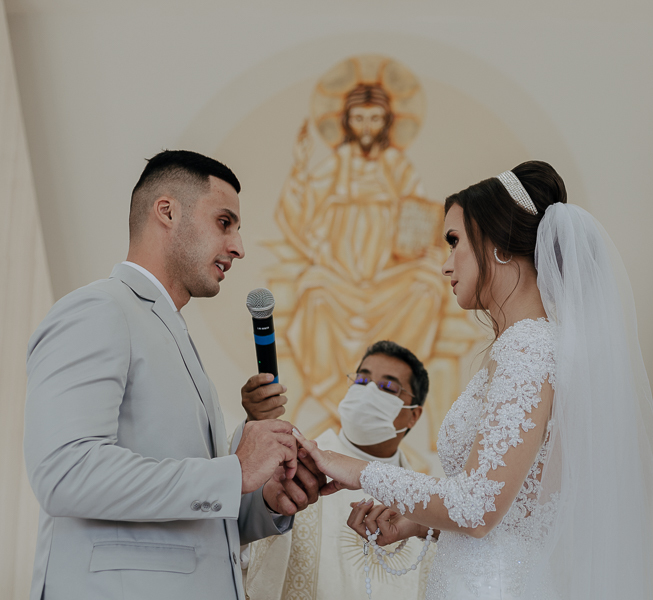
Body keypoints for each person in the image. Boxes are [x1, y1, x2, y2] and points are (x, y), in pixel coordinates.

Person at [293, 161, 653, 599]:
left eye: (454, 241)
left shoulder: (529, 348)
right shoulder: (538, 346)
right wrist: (414, 522)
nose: (445, 264)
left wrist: (357, 469)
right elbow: (519, 503)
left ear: (496, 243)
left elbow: (477, 506)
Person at [23, 150, 324, 600]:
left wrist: (264, 501)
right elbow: (66, 473)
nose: (239, 246)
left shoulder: (173, 335)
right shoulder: (100, 310)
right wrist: (234, 471)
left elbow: (189, 521)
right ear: (167, 211)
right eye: (225, 222)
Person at [267, 78, 481, 436]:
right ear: (348, 122)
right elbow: (299, 212)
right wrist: (300, 168)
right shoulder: (337, 164)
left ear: (386, 123)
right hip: (338, 273)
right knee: (314, 295)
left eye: (375, 119)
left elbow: (420, 216)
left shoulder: (398, 166)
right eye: (360, 118)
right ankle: (340, 394)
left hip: (389, 274)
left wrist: (426, 244)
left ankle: (391, 387)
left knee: (427, 288)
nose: (367, 127)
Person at [235, 341, 434, 600]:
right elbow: (238, 542)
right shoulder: (296, 466)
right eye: (362, 381)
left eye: (387, 387)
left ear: (413, 415)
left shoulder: (424, 499)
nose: (369, 391)